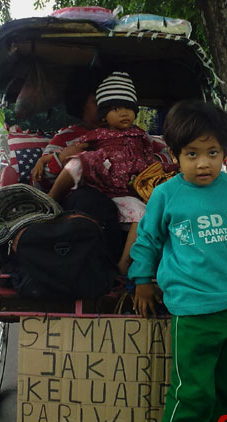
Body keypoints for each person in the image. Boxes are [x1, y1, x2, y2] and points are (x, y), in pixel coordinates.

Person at [128, 99, 227, 422]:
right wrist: (142, 281)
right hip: (194, 313)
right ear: (174, 154)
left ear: (224, 152)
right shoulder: (166, 194)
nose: (204, 163)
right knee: (192, 395)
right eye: (192, 154)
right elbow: (147, 240)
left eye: (213, 152)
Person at [47, 71, 176, 274]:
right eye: (116, 108)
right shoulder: (91, 136)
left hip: (128, 188)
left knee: (143, 213)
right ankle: (49, 203)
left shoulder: (141, 135)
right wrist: (56, 158)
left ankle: (125, 262)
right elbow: (62, 161)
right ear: (103, 113)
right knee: (79, 162)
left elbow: (157, 155)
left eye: (128, 109)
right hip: (100, 183)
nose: (123, 114)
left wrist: (155, 166)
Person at [30, 71, 102, 188]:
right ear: (82, 102)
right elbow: (39, 182)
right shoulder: (65, 138)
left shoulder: (127, 136)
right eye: (97, 102)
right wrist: (62, 157)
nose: (103, 108)